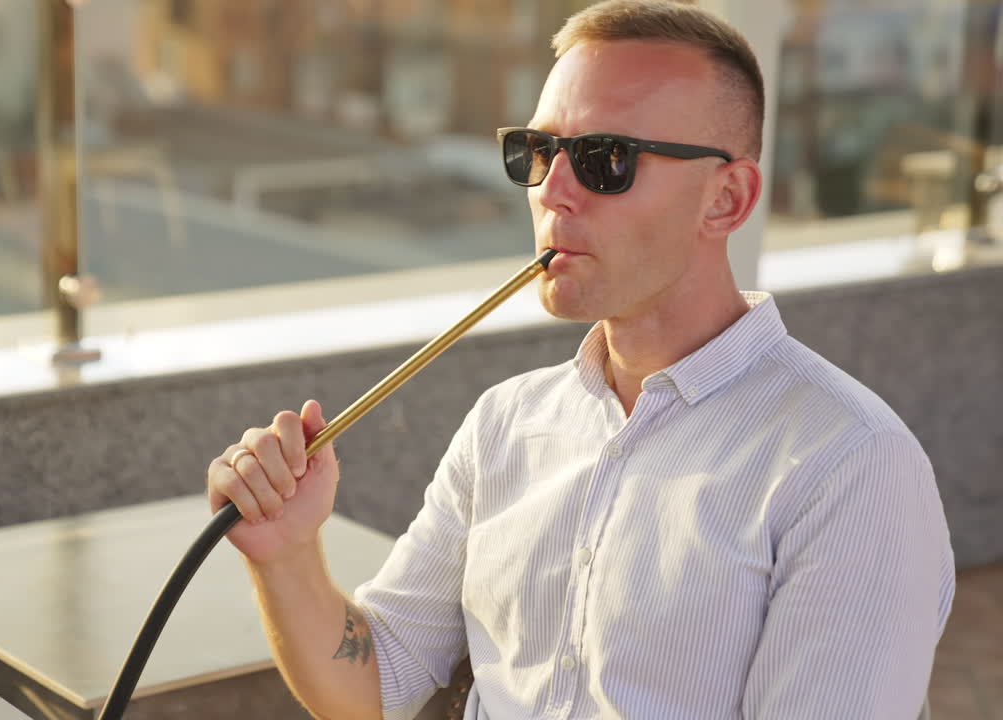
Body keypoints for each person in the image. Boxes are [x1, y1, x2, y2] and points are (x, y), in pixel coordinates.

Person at [205, 1, 956, 718]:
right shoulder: (506, 424)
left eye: (606, 159)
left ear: (726, 200)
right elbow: (377, 686)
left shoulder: (851, 464)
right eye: (538, 152)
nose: (552, 192)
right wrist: (287, 555)